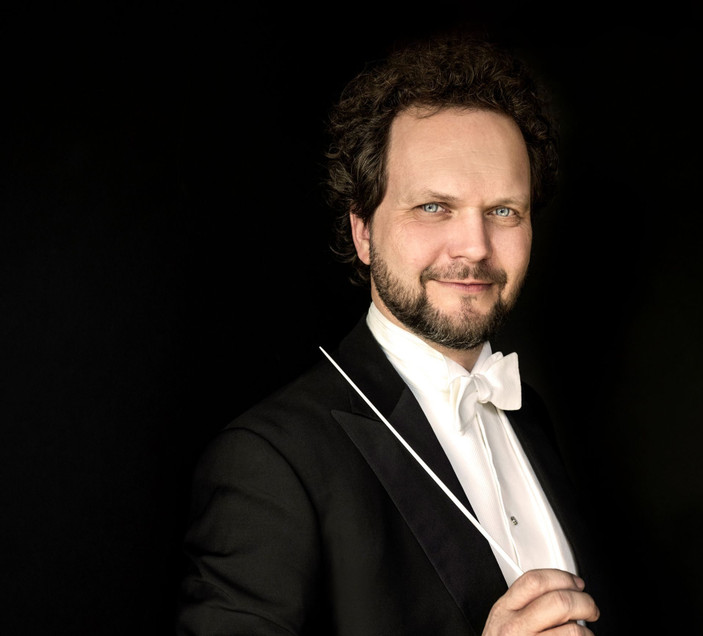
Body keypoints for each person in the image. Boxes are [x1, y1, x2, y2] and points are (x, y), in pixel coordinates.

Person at [177, 32, 618, 635]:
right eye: (434, 207)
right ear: (363, 231)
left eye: (503, 211)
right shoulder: (270, 461)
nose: (475, 247)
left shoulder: (530, 415)